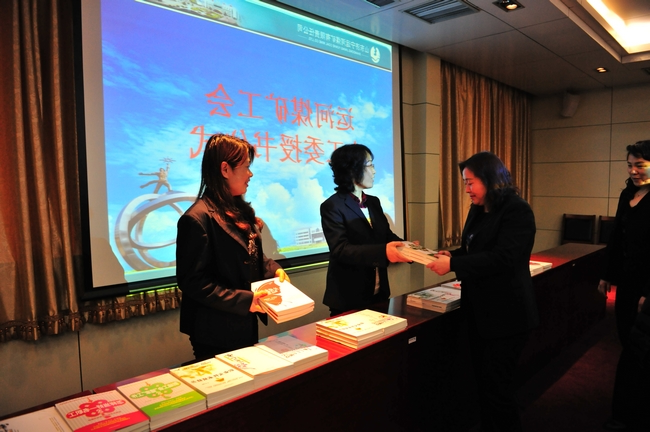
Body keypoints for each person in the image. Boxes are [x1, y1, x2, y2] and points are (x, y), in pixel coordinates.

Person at [426, 151, 538, 432]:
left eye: (470, 182)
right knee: (484, 387)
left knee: (499, 390)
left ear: (490, 179)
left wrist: (453, 265)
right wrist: (451, 255)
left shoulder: (517, 210)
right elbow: (473, 249)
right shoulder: (478, 208)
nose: (466, 189)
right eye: (464, 183)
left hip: (507, 316)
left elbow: (503, 258)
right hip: (479, 313)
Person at [176, 134, 288, 360]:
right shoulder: (196, 219)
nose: (250, 174)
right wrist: (246, 301)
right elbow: (193, 282)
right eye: (246, 167)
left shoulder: (238, 209)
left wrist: (273, 269)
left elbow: (250, 255)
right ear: (225, 169)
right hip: (214, 330)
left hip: (244, 321)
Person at [320, 144, 410, 317]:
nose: (374, 171)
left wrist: (408, 247)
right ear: (352, 169)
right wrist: (384, 251)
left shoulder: (373, 202)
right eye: (369, 165)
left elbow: (386, 235)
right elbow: (341, 249)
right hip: (348, 297)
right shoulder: (332, 206)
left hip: (379, 293)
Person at [598, 140, 650, 431]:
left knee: (639, 352)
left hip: (647, 287)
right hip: (628, 284)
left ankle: (629, 415)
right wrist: (606, 274)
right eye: (630, 165)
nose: (633, 171)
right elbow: (616, 237)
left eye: (640, 165)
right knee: (626, 342)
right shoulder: (626, 194)